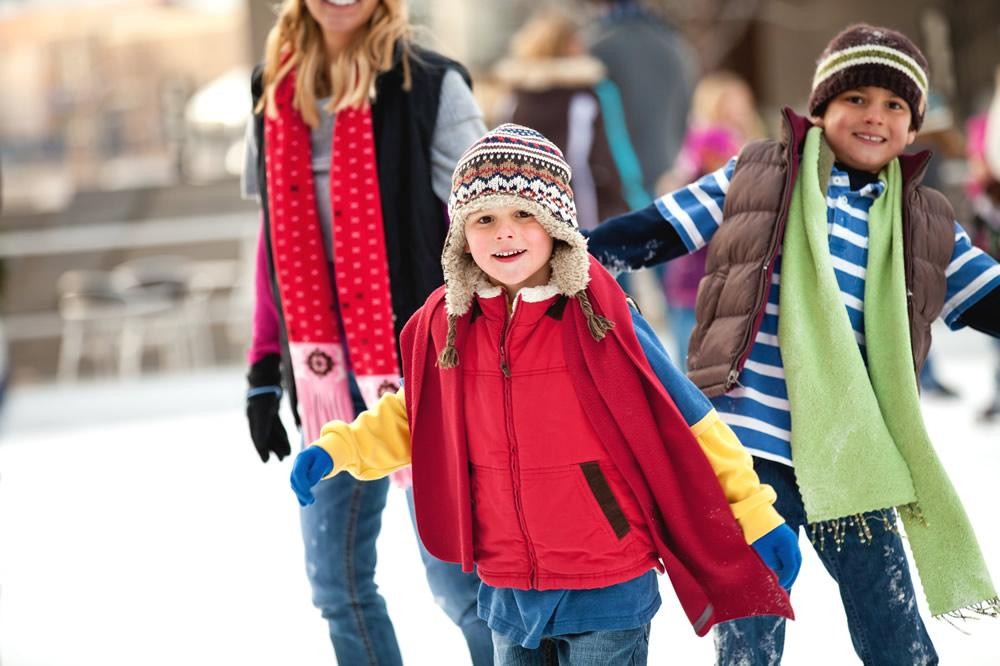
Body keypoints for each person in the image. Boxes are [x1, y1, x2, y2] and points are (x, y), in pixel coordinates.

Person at [289, 124, 799, 665]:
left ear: (555, 225)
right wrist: (338, 448)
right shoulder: (451, 324)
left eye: (523, 215)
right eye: (484, 219)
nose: (504, 234)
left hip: (607, 580)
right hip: (509, 587)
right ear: (462, 233)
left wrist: (755, 512)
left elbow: (688, 421)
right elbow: (416, 415)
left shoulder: (599, 318)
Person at [585, 24, 1000, 665]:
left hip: (850, 450)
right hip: (749, 444)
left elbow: (987, 295)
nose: (874, 116)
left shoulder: (926, 224)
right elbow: (664, 226)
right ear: (821, 108)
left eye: (894, 106)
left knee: (890, 621)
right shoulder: (760, 175)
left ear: (913, 128)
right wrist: (571, 258)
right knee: (751, 621)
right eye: (856, 98)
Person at [239, 0, 492, 663]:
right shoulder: (272, 89)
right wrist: (265, 369)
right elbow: (276, 239)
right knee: (336, 584)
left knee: (460, 585)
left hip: (425, 367)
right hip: (321, 374)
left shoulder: (432, 85)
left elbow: (491, 228)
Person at [493, 9, 631, 231]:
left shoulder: (513, 99)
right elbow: (599, 161)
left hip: (526, 217)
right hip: (580, 215)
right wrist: (620, 205)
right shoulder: (582, 98)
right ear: (567, 45)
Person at [659, 71, 762, 368]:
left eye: (742, 102)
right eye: (731, 102)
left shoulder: (722, 141)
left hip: (704, 270)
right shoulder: (713, 140)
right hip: (703, 270)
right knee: (695, 362)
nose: (739, 110)